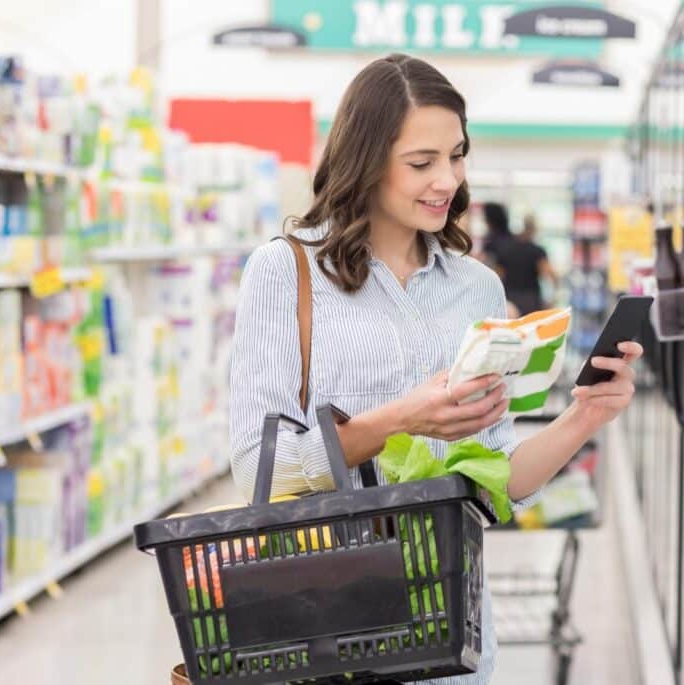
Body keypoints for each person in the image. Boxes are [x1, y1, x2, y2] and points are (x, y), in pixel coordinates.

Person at [228, 54, 642, 685]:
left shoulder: (476, 287)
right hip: (329, 635)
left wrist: (585, 417)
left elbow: (493, 486)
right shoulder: (285, 273)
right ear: (365, 161)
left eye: (457, 155)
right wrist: (399, 420)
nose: (446, 179)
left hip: (455, 644)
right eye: (422, 163)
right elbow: (258, 466)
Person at [479, 203, 557, 315]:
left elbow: (497, 275)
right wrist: (552, 299)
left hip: (509, 299)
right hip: (531, 301)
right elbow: (550, 276)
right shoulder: (537, 251)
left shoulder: (504, 250)